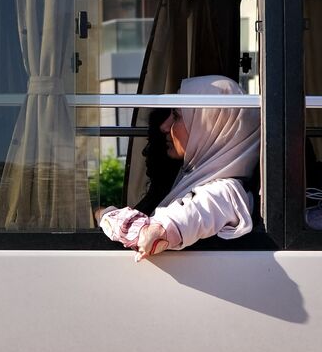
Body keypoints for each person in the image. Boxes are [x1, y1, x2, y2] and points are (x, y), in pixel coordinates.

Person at [97, 75, 259, 261]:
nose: (165, 127)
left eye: (176, 116)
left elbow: (151, 233)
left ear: (209, 126)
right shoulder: (193, 175)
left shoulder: (225, 194)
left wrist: (103, 213)